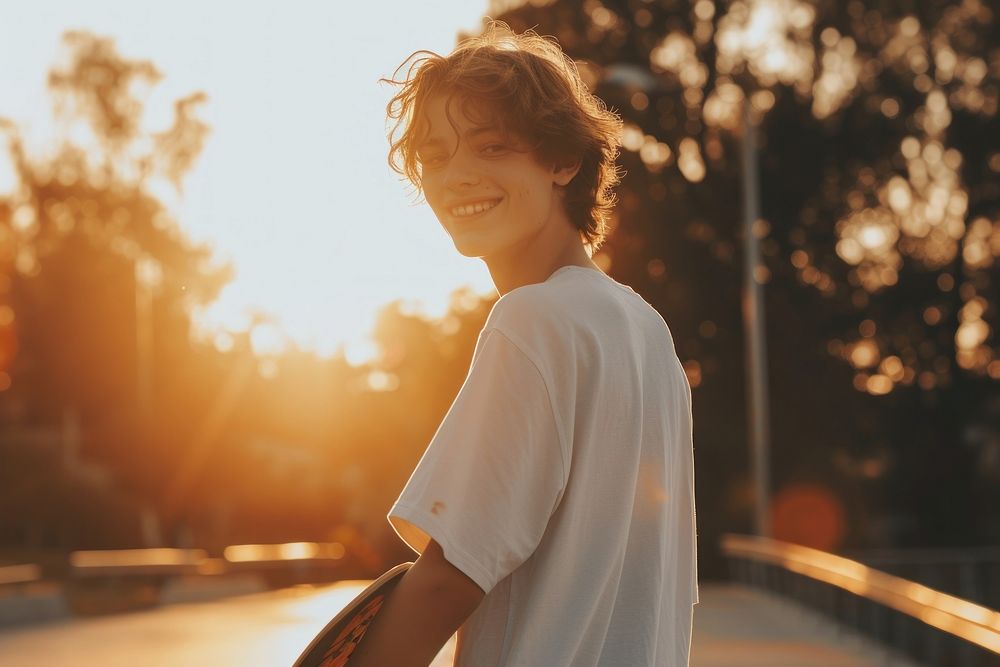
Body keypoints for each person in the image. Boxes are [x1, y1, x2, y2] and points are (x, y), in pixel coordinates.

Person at [349, 19, 698, 667]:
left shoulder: (534, 319)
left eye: (491, 147)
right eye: (435, 155)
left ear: (564, 159)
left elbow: (449, 575)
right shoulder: (648, 332)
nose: (455, 177)